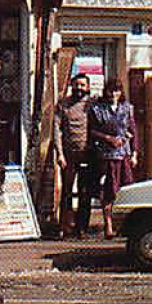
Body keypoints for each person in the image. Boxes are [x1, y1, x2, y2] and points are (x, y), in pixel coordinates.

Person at [87, 78, 136, 239]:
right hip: (106, 155)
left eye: (117, 90)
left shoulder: (127, 108)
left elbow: (132, 131)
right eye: (111, 90)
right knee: (108, 191)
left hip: (124, 154)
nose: (114, 94)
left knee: (127, 190)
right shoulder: (97, 109)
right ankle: (108, 224)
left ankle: (125, 225)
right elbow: (92, 130)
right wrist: (108, 138)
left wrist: (134, 153)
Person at [55, 73, 92, 237]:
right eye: (77, 85)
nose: (79, 88)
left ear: (88, 87)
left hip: (87, 155)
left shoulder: (92, 104)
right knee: (67, 192)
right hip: (68, 155)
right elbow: (57, 130)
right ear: (72, 85)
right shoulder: (63, 104)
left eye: (83, 85)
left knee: (85, 193)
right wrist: (60, 154)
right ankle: (65, 226)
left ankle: (82, 227)